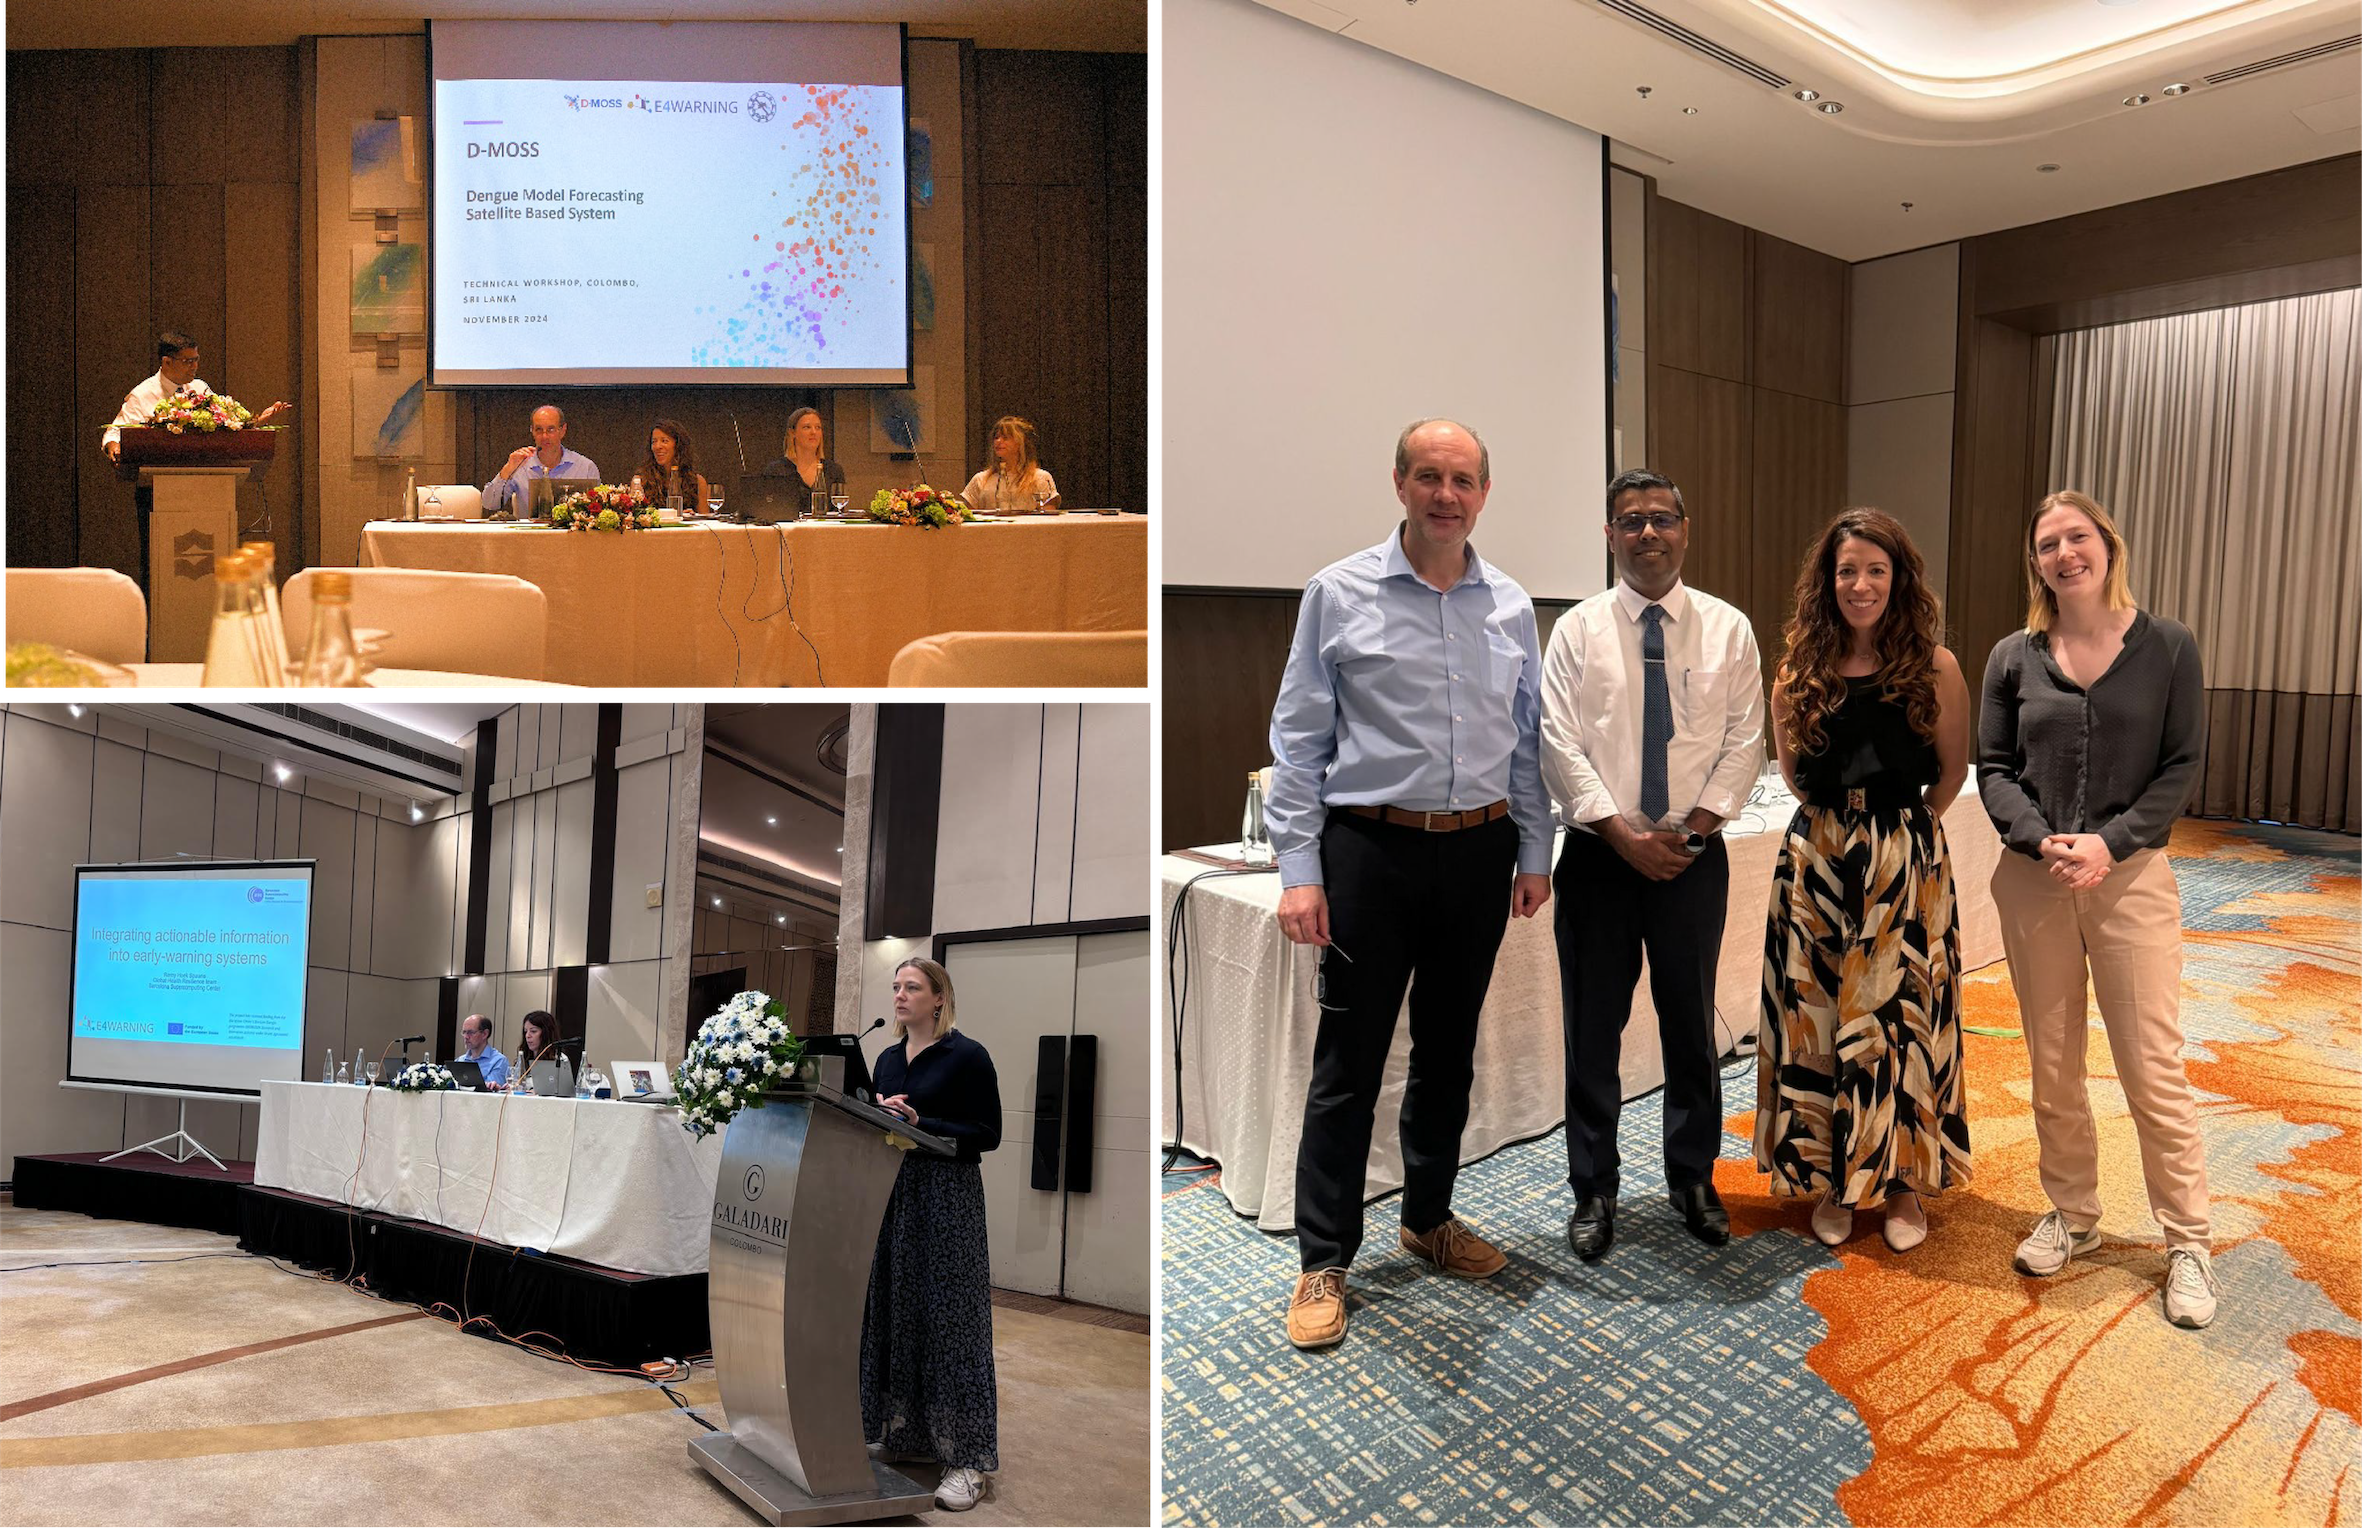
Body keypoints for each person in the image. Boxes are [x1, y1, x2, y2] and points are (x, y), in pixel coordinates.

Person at [1265, 417, 1554, 1351]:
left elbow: (1527, 743)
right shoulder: (1336, 593)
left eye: (1462, 479)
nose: (1445, 494)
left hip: (1477, 853)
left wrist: (1534, 852)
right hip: (1369, 854)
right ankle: (1324, 1257)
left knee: (1447, 1051)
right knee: (1348, 1067)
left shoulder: (1510, 605)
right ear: (1399, 484)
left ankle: (1427, 1218)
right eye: (1428, 475)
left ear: (1483, 494)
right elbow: (1299, 742)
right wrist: (1300, 871)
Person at [1979, 489, 2215, 1328]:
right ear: (2036, 562)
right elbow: (1994, 768)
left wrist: (2109, 844)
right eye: (2047, 544)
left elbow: (2181, 764)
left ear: (2107, 546)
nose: (2063, 554)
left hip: (2131, 879)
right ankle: (2073, 1214)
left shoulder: (2170, 647)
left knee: (2153, 1065)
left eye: (2076, 537)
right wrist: (2044, 841)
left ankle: (2186, 1238)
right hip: (2036, 879)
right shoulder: (2013, 655)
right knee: (2052, 1061)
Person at [1539, 468, 1763, 1262]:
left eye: (1660, 519)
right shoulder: (1577, 630)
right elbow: (1557, 740)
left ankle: (1692, 1176)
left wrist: (1690, 834)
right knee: (1593, 1031)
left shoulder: (1729, 630)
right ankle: (1592, 1188)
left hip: (1692, 859)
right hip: (1602, 858)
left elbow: (1744, 742)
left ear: (1685, 528)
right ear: (1609, 536)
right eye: (1629, 522)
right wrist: (1625, 837)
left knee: (1691, 1024)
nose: (1646, 534)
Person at [1755, 509, 1972, 1254]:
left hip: (1902, 857)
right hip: (1816, 859)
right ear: (1827, 582)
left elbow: (1949, 774)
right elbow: (1793, 775)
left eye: (1876, 570)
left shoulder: (1935, 666)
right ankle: (1833, 1177)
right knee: (1818, 1017)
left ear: (1898, 578)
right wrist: (1842, 833)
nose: (1861, 584)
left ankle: (1903, 1182)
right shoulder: (1796, 671)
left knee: (1902, 1019)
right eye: (1847, 570)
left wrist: (1896, 838)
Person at [862, 956, 1001, 1514]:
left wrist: (925, 1124)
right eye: (896, 986)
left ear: (939, 998)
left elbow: (988, 1134)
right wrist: (874, 1109)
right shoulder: (887, 1058)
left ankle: (967, 1458)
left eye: (912, 987)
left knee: (951, 1324)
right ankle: (903, 1432)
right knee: (896, 1313)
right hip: (893, 1195)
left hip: (947, 1201)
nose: (900, 996)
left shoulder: (968, 1056)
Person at [102, 331, 293, 586]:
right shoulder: (143, 394)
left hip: (208, 489)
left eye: (196, 360)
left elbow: (225, 425)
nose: (194, 367)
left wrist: (255, 422)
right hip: (157, 492)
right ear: (166, 362)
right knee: (158, 568)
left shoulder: (200, 388)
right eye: (187, 361)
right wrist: (113, 445)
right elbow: (115, 431)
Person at [482, 404, 598, 518]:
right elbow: (490, 503)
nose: (544, 436)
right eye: (539, 430)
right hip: (530, 535)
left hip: (573, 535)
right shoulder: (520, 465)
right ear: (532, 431)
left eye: (551, 429)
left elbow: (597, 511)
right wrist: (507, 469)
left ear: (563, 430)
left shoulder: (585, 467)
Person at [958, 416, 1059, 515]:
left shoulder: (1041, 477)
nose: (998, 441)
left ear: (1020, 443)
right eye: (996, 437)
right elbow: (968, 518)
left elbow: (1049, 518)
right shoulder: (980, 479)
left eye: (1005, 438)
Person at [755, 405, 846, 512]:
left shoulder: (833, 470)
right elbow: (768, 510)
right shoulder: (776, 470)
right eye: (807, 427)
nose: (814, 432)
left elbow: (839, 512)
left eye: (818, 428)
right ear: (792, 433)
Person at [630, 418, 709, 513]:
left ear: (678, 445)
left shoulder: (697, 482)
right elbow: (635, 519)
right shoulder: (640, 481)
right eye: (654, 441)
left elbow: (705, 522)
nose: (657, 446)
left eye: (664, 441)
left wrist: (692, 517)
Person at [453, 1013, 510, 1089]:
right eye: (464, 1032)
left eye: (470, 1032)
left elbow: (492, 1092)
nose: (466, 1037)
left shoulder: (499, 1061)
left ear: (485, 1034)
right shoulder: (459, 1061)